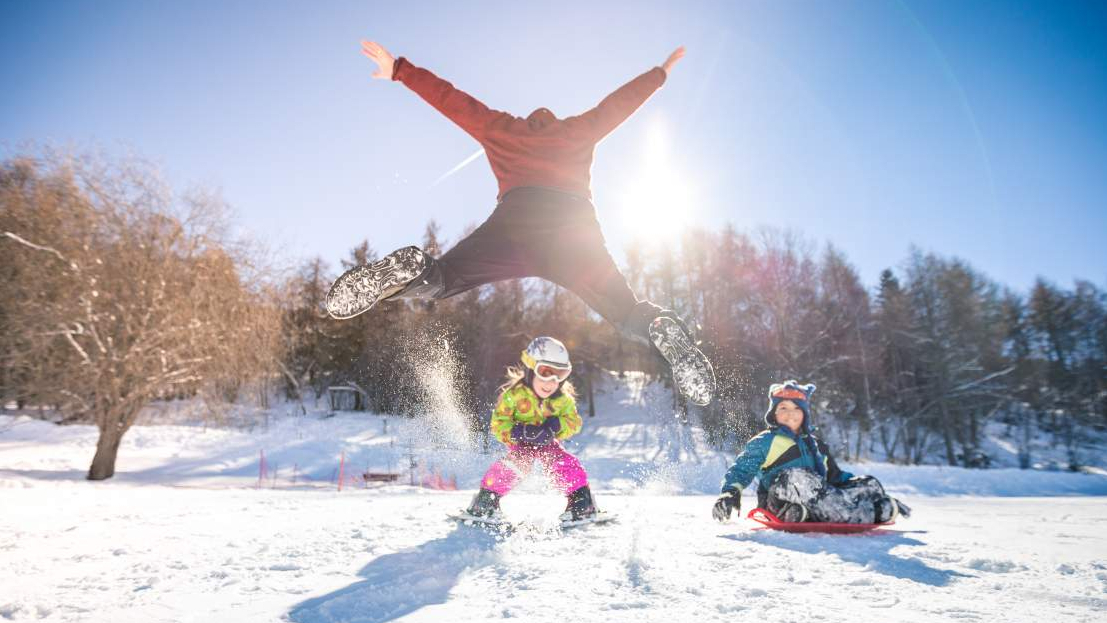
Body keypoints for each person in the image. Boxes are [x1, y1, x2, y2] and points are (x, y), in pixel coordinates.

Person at [325, 40, 714, 406]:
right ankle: (659, 327)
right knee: (625, 310)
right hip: (573, 230)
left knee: (445, 278)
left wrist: (400, 69)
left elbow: (455, 102)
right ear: (554, 120)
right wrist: (659, 74)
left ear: (528, 121)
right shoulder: (577, 130)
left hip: (514, 224)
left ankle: (411, 270)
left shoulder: (502, 128)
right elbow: (617, 106)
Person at [712, 381, 911, 524]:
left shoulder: (816, 445)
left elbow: (836, 477)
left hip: (820, 498)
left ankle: (810, 513)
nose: (790, 413)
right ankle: (870, 511)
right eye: (783, 407)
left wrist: (872, 490)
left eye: (796, 409)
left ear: (804, 414)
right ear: (773, 413)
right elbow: (742, 469)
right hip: (778, 499)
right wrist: (730, 493)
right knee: (798, 477)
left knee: (869, 482)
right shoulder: (766, 441)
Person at [463, 336, 599, 523]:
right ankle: (486, 501)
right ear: (530, 369)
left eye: (559, 375)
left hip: (548, 442)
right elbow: (498, 423)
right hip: (521, 443)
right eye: (545, 372)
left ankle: (581, 501)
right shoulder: (513, 396)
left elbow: (574, 422)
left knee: (563, 462)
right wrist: (518, 432)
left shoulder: (562, 400)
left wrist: (557, 426)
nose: (551, 382)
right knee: (516, 464)